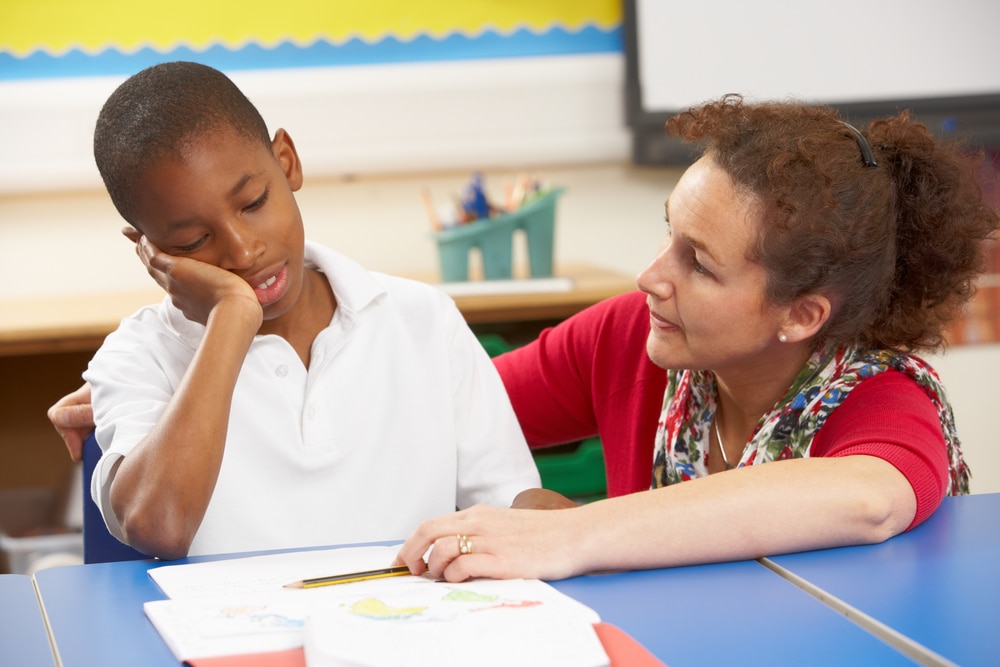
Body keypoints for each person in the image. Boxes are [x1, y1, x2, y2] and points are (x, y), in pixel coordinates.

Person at [391, 95, 997, 582]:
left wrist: (575, 533)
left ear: (802, 315)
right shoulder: (631, 333)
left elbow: (871, 497)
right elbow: (445, 412)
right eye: (667, 233)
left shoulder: (883, 397)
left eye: (700, 264)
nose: (650, 277)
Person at [66, 61, 539, 560]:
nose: (244, 252)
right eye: (194, 240)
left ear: (287, 161)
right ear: (150, 251)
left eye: (252, 203)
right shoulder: (137, 356)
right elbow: (158, 525)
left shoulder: (422, 318)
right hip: (235, 638)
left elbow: (509, 505)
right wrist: (231, 317)